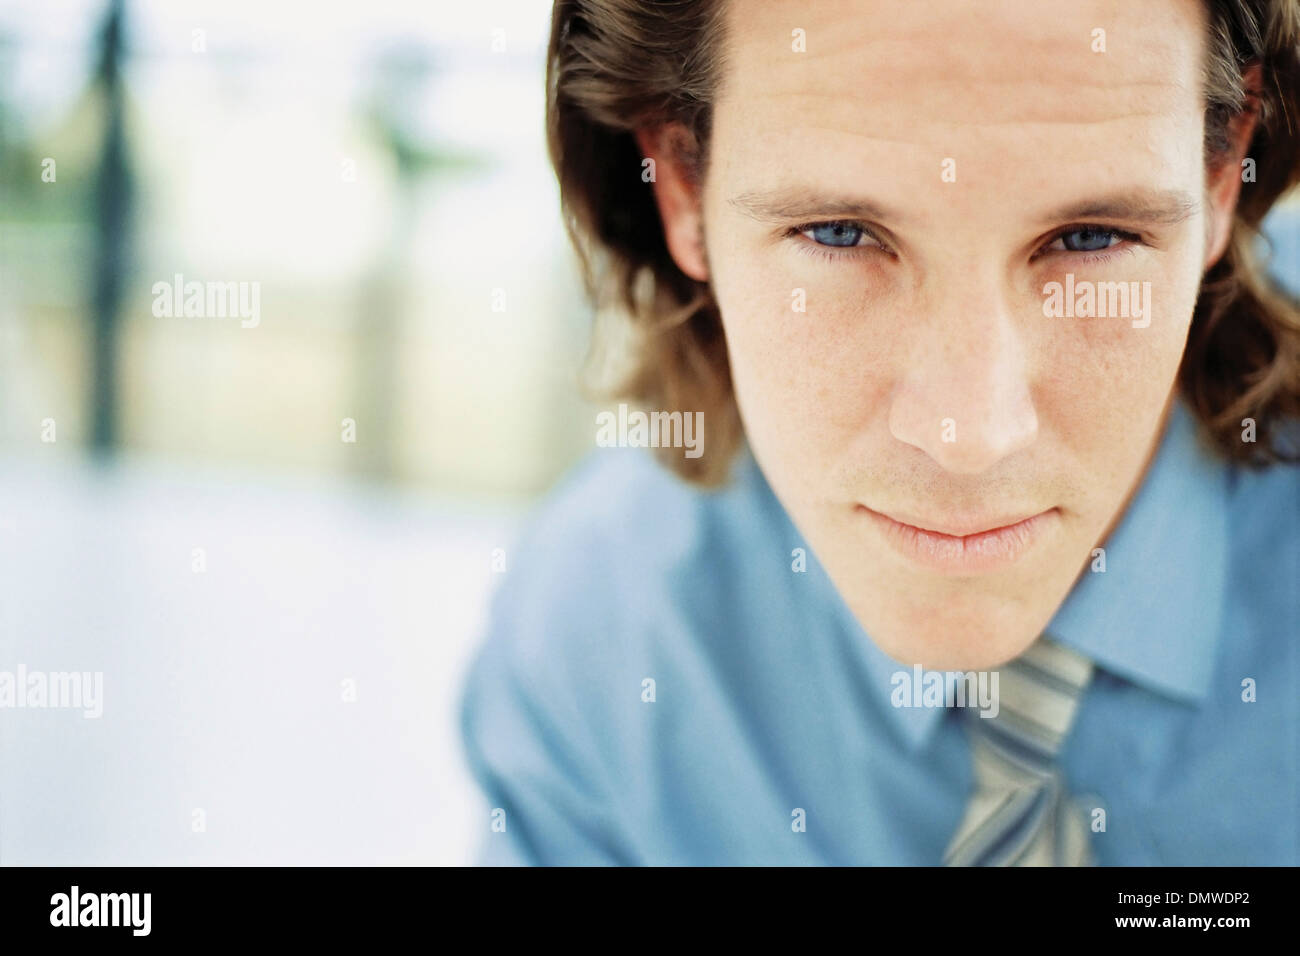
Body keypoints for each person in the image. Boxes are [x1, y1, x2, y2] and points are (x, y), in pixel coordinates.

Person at [458, 0, 1300, 865]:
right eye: (840, 234)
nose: (970, 435)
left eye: (1091, 238)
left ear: (1223, 170)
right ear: (679, 186)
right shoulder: (595, 651)